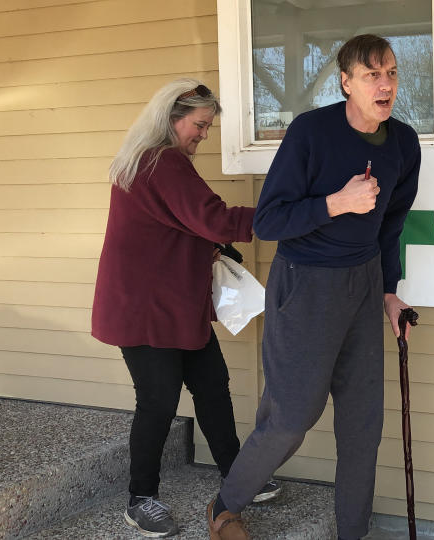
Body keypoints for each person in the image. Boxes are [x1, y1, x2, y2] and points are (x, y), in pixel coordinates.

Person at [206, 34, 421, 540]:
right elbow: (269, 220)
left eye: (390, 72)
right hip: (305, 285)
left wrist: (389, 291)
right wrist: (336, 203)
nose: (385, 84)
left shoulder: (403, 144)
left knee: (363, 422)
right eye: (372, 75)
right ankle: (226, 504)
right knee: (291, 417)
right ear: (346, 83)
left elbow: (391, 224)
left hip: (365, 284)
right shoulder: (311, 133)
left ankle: (353, 531)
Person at [91, 78, 281, 538]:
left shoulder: (152, 162)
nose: (203, 135)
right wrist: (288, 213)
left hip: (175, 302)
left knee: (212, 385)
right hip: (145, 308)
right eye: (198, 125)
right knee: (157, 402)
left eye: (208, 127)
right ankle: (141, 499)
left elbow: (180, 225)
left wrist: (208, 248)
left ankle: (237, 478)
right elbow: (212, 217)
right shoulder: (161, 162)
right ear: (171, 119)